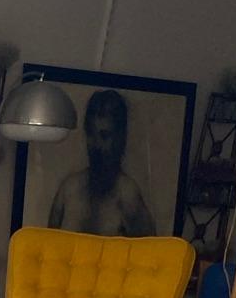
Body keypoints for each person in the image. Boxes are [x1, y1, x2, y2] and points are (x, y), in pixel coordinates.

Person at [48, 88, 156, 238]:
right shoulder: (69, 190)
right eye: (91, 134)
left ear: (120, 139)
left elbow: (148, 255)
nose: (96, 144)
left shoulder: (128, 195)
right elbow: (49, 247)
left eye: (104, 136)